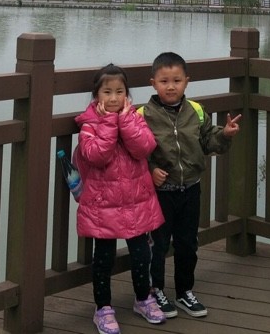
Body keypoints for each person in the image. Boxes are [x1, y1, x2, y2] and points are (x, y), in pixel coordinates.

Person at [139, 51, 242, 319]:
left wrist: (225, 134)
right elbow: (134, 153)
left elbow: (208, 141)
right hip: (160, 194)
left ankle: (184, 291)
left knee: (187, 243)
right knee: (158, 245)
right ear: (153, 83)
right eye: (164, 81)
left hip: (191, 189)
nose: (170, 86)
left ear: (187, 81)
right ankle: (155, 291)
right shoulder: (143, 115)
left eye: (176, 80)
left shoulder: (195, 111)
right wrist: (150, 170)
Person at [74, 64, 167, 334]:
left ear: (127, 94)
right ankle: (103, 308)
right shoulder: (89, 124)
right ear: (96, 96)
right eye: (107, 92)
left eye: (119, 91)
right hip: (103, 205)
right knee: (103, 258)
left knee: (142, 254)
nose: (114, 98)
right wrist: (107, 124)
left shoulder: (134, 118)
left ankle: (143, 298)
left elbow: (144, 148)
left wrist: (124, 122)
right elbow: (96, 156)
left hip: (135, 202)